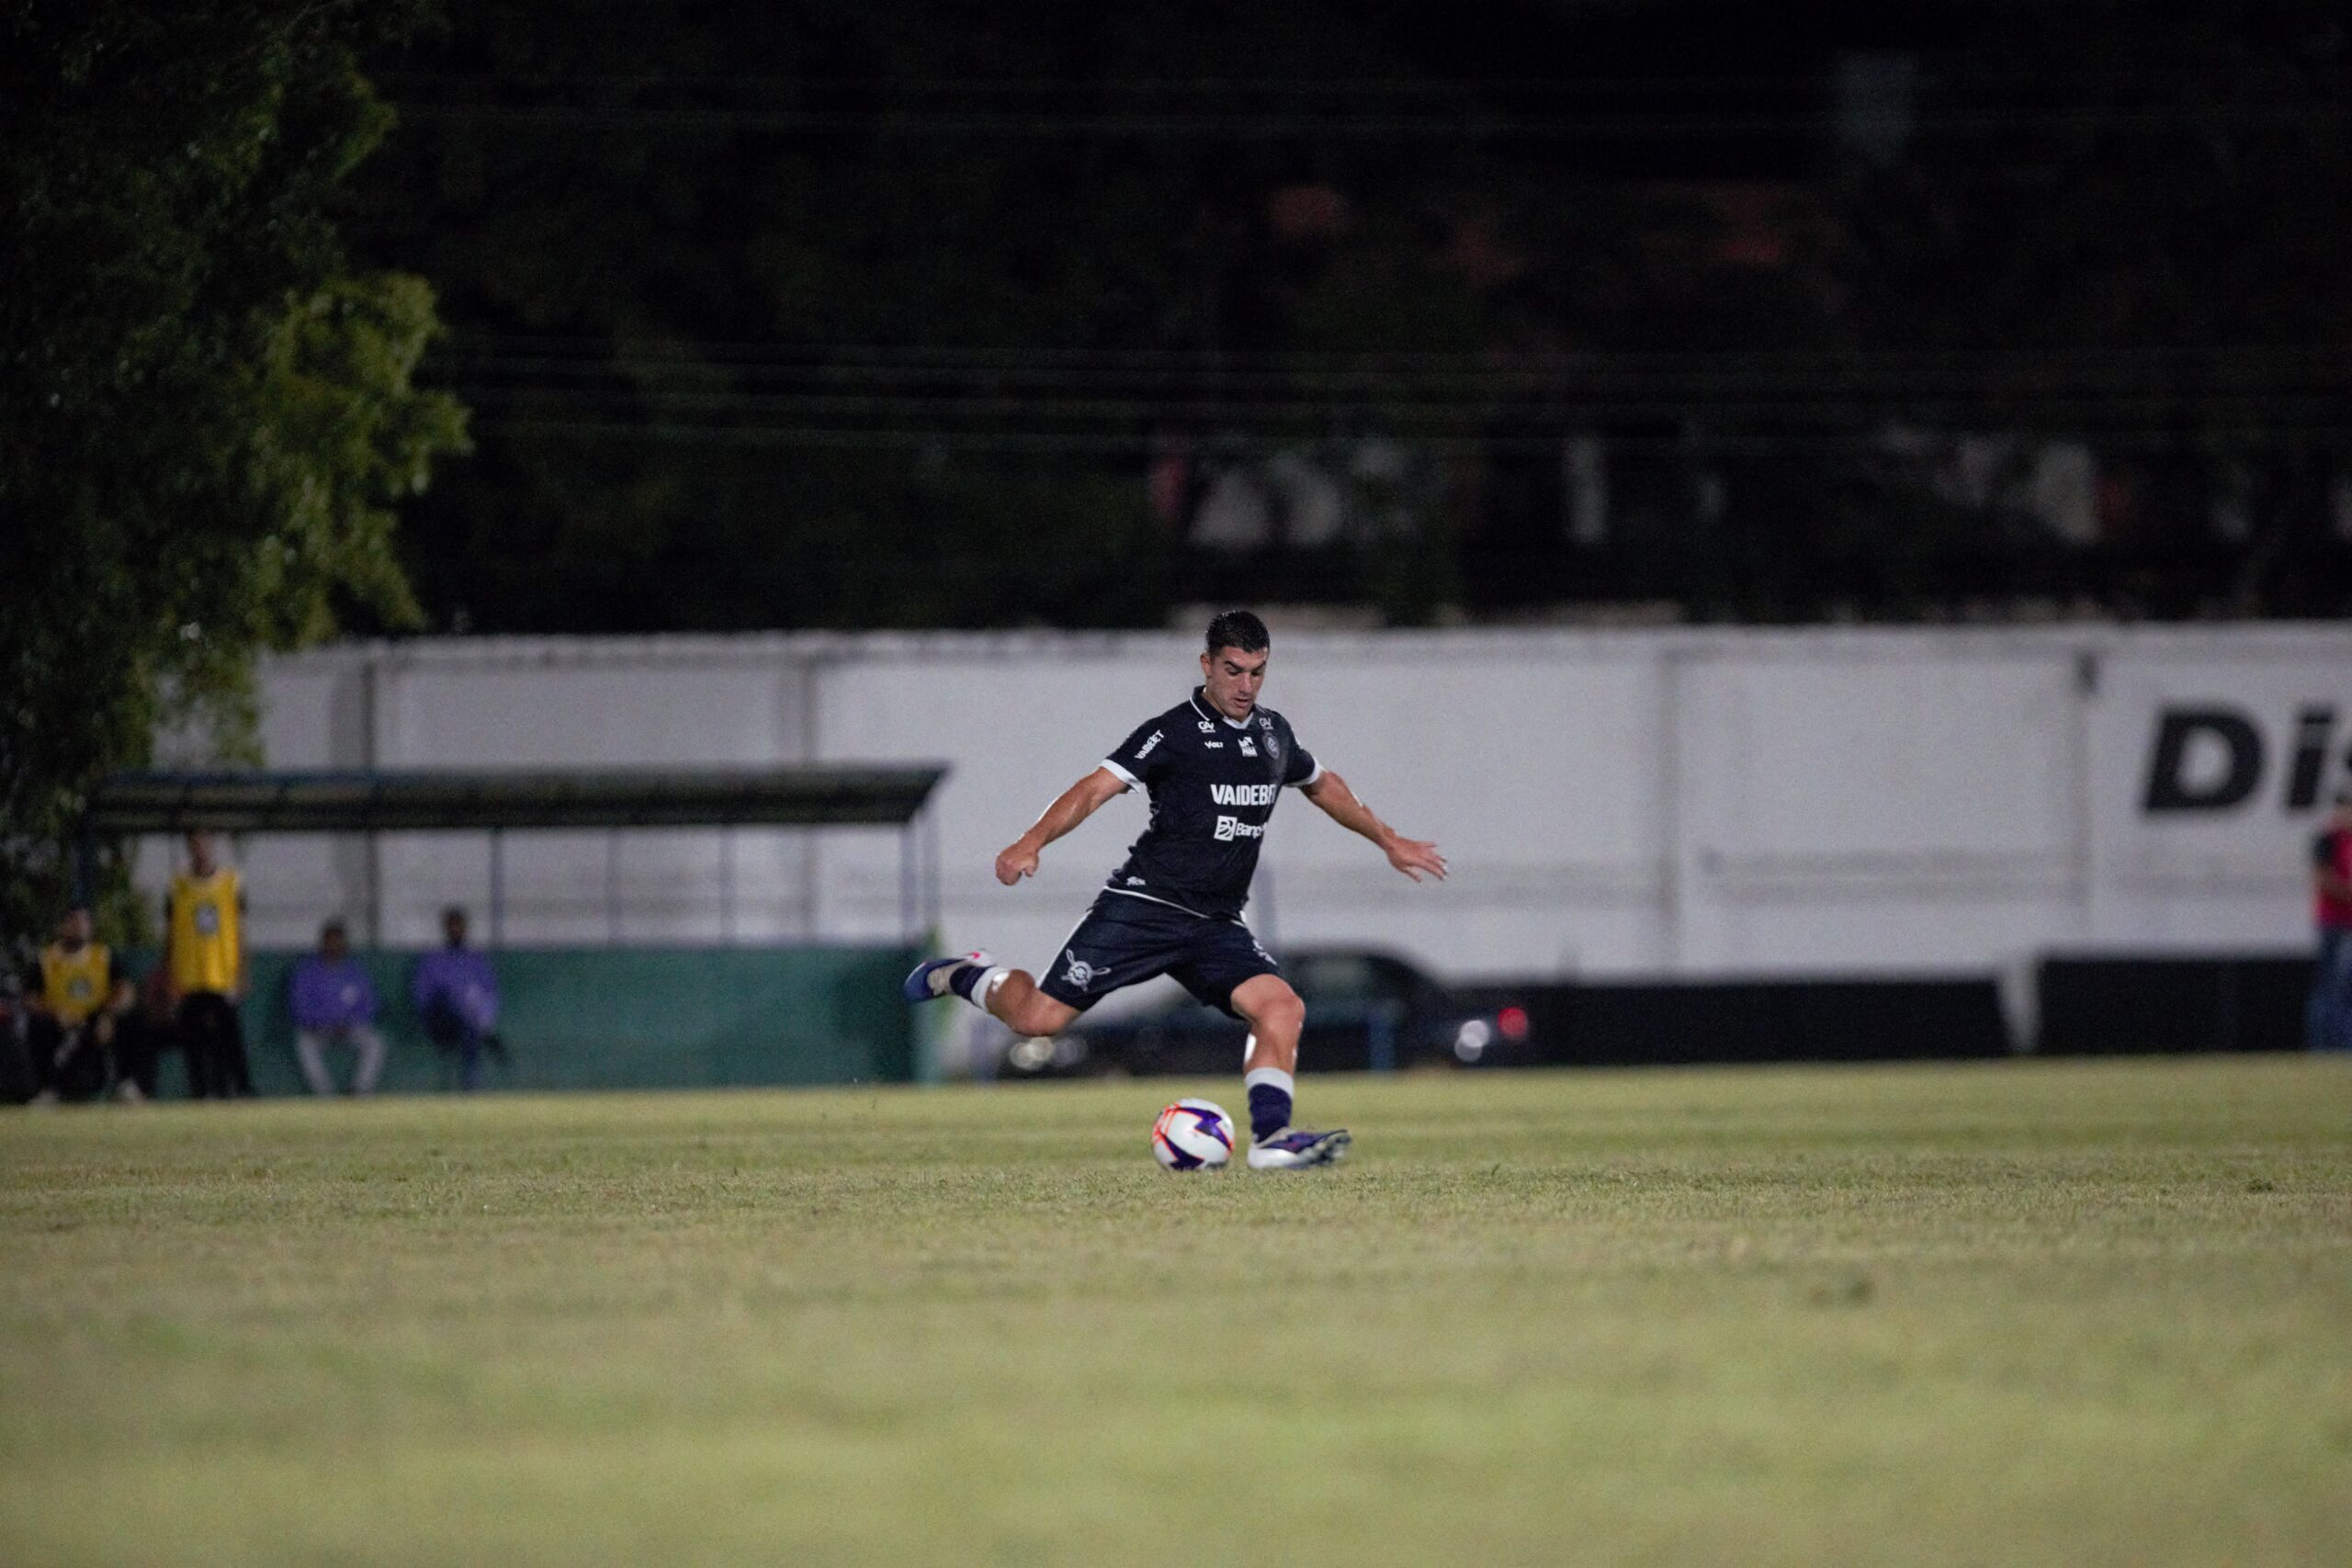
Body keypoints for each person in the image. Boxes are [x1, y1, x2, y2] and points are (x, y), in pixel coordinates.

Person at [902, 609, 1446, 1168]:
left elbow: (1323, 785)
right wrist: (1031, 841)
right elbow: (1094, 789)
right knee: (1039, 1020)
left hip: (1215, 924)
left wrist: (1388, 839)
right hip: (1145, 906)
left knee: (1281, 1006)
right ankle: (968, 973)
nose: (1245, 685)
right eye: (1233, 670)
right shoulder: (1173, 732)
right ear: (1207, 664)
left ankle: (1272, 1138)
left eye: (1257, 673)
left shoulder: (1273, 734)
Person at [21, 907, 135, 1103]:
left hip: (94, 1020)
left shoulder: (103, 955)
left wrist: (108, 1015)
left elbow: (126, 991)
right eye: (73, 922)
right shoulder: (45, 959)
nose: (79, 927)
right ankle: (47, 1089)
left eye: (84, 922)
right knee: (37, 1025)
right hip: (59, 1022)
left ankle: (124, 1084)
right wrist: (55, 1013)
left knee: (130, 1022)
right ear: (61, 927)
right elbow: (29, 998)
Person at [290, 919, 386, 1095]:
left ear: (345, 944)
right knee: (303, 1043)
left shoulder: (355, 971)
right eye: (330, 941)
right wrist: (324, 1023)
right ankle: (325, 1093)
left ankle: (359, 1090)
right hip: (319, 1030)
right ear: (322, 943)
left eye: (338, 941)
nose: (334, 945)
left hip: (350, 1028)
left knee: (375, 1041)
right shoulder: (308, 971)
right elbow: (300, 1007)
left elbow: (370, 1005)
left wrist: (349, 1023)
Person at [413, 906, 502, 1090]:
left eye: (459, 926)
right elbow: (421, 998)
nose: (455, 930)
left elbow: (490, 996)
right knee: (446, 1002)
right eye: (451, 926)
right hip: (439, 1023)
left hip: (469, 1025)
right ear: (445, 928)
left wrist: (483, 1022)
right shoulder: (433, 960)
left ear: (465, 928)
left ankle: (471, 1084)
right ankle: (483, 1036)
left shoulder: (477, 960)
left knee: (472, 1028)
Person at [2309, 795, 2352, 1053]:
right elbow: (2324, 879)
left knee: (2345, 987)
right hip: (2334, 922)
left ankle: (2344, 1046)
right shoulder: (2327, 840)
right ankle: (2322, 1046)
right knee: (2329, 986)